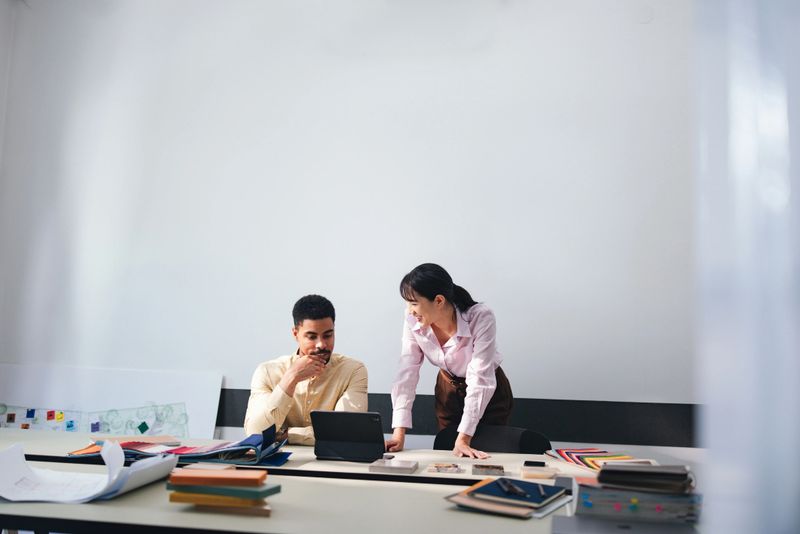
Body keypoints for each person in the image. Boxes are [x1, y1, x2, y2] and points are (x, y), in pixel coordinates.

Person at [386, 263, 513, 458]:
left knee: (486, 453)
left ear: (438, 300)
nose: (409, 310)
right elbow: (407, 373)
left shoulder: (480, 317)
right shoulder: (413, 319)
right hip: (447, 390)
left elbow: (480, 378)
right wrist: (398, 434)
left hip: (488, 392)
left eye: (413, 303)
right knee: (450, 454)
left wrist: (464, 438)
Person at [244, 294, 368, 445]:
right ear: (296, 334)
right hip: (278, 464)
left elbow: (345, 432)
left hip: (332, 463)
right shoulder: (267, 372)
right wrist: (291, 377)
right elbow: (256, 433)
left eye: (328, 335)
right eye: (312, 337)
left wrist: (286, 434)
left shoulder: (353, 370)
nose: (321, 344)